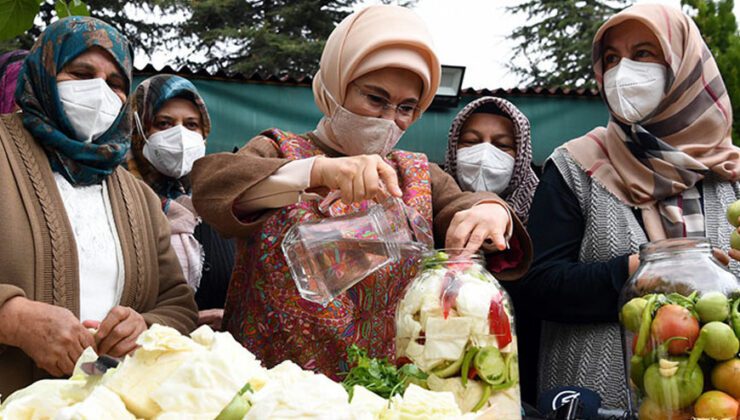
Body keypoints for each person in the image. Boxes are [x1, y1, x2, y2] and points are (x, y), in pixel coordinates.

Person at [191, 5, 532, 378]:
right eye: (375, 98)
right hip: (275, 388)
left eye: (406, 107)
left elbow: (460, 205)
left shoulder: (415, 173)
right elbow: (212, 188)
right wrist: (315, 172)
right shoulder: (280, 151)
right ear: (337, 85)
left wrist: (489, 209)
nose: (388, 119)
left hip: (384, 393)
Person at [521, 4, 740, 408]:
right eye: (611, 59)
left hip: (723, 401)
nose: (623, 72)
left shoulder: (732, 173)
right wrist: (634, 272)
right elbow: (537, 285)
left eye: (642, 54)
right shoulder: (575, 166)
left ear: (686, 65)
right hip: (598, 403)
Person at [0, 17, 198, 396]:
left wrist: (145, 327)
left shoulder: (136, 196)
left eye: (115, 83)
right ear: (43, 73)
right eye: (80, 73)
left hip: (108, 405)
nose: (100, 92)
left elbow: (178, 303)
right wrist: (12, 318)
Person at [127, 74, 234, 330]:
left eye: (191, 124)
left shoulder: (216, 201)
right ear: (139, 129)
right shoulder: (120, 200)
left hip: (216, 360)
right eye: (164, 124)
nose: (180, 135)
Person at [444, 96, 539, 224]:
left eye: (502, 145)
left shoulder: (545, 208)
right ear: (452, 149)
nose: (484, 156)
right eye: (471, 141)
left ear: (521, 157)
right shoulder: (427, 202)